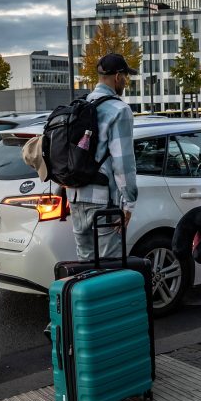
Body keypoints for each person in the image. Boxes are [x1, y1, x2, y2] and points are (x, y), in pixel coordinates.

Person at [66, 53, 138, 261]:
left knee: (85, 264)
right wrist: (129, 203)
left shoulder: (81, 105)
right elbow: (123, 161)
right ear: (117, 77)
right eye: (126, 77)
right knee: (109, 266)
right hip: (103, 201)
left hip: (76, 196)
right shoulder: (119, 110)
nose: (126, 82)